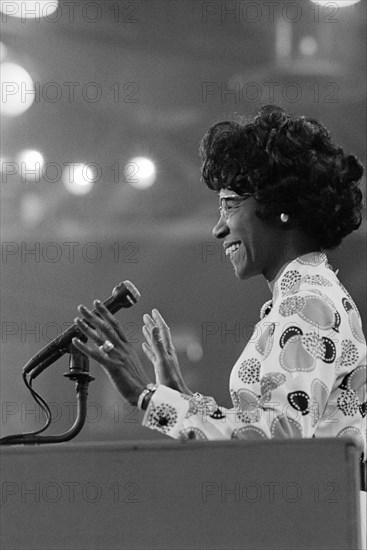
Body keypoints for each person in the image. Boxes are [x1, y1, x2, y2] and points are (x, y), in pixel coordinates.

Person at [72, 105, 366, 540]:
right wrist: (180, 395)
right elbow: (278, 429)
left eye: (229, 205)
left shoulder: (307, 303)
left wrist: (147, 396)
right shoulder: (303, 297)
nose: (217, 228)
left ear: (280, 208)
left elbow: (279, 443)